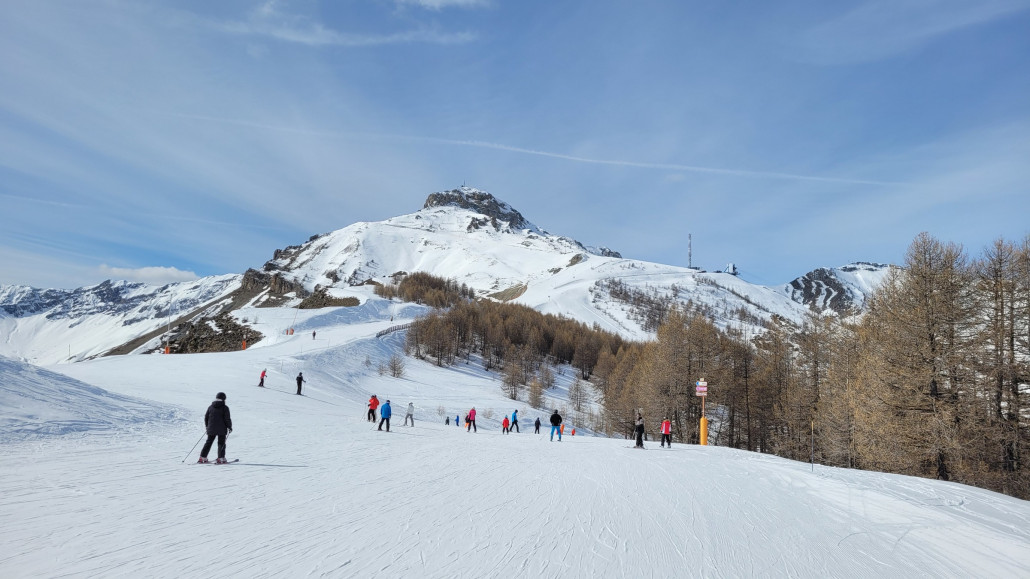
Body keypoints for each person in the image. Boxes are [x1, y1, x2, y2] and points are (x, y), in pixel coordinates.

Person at [198, 392, 232, 464]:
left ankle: (202, 457)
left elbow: (206, 417)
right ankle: (221, 458)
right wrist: (229, 427)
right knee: (221, 443)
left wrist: (207, 426)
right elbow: (227, 419)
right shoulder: (225, 408)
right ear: (224, 399)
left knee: (208, 442)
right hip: (222, 429)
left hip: (211, 428)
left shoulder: (210, 407)